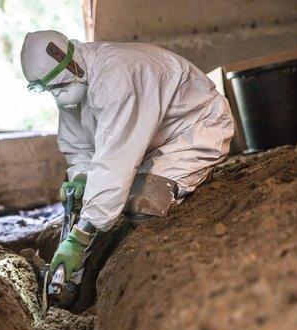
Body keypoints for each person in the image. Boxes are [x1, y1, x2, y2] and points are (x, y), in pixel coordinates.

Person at [21, 30, 234, 285]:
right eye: (48, 89)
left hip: (194, 129)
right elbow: (79, 144)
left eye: (59, 86)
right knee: (106, 201)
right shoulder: (74, 84)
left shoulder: (117, 77)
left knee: (139, 205)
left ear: (72, 64)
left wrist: (79, 239)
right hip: (151, 138)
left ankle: (185, 181)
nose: (56, 95)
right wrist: (80, 176)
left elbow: (115, 162)